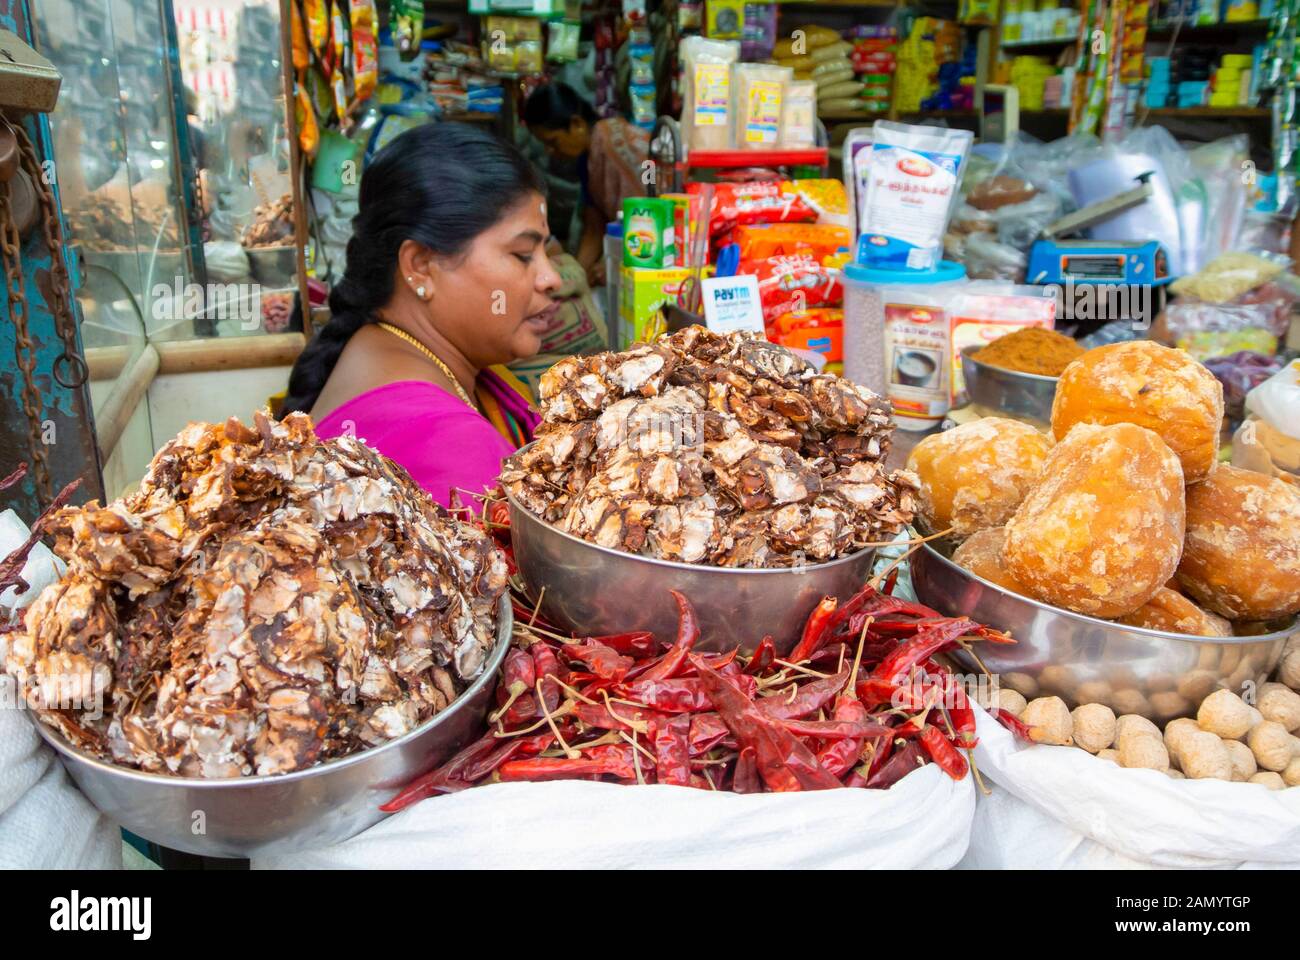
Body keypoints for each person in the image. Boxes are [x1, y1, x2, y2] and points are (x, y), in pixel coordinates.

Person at [281, 122, 559, 509]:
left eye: (546, 251)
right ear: (421, 266)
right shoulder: (446, 445)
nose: (551, 278)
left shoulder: (383, 349)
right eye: (523, 255)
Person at [523, 83, 649, 286]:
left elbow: (650, 216)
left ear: (577, 124)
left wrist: (615, 262)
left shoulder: (616, 148)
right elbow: (594, 227)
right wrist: (576, 276)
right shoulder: (587, 159)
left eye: (553, 142)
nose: (550, 151)